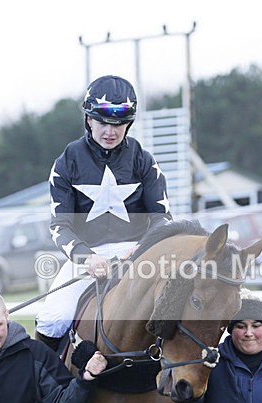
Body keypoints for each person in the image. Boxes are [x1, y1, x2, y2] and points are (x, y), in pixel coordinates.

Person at [35, 74, 173, 351]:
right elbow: (59, 226)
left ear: (128, 124)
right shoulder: (66, 162)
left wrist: (141, 249)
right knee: (53, 318)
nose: (110, 131)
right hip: (86, 257)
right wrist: (87, 257)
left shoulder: (144, 160)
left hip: (138, 254)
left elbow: (163, 219)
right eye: (102, 123)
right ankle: (45, 388)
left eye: (118, 124)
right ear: (88, 120)